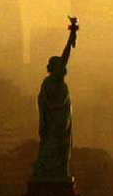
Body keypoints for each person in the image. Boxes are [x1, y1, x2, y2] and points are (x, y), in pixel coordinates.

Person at [31, 17, 78, 181]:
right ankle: (48, 174)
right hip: (53, 125)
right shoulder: (49, 83)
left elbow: (65, 56)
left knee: (62, 151)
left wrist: (71, 35)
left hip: (61, 124)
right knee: (52, 150)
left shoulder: (55, 81)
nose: (62, 68)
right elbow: (44, 104)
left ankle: (59, 173)